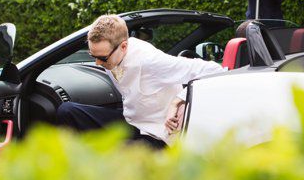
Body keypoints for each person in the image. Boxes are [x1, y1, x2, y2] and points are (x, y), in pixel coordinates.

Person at [52, 15, 224, 148]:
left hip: (158, 135)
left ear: (124, 46)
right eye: (93, 56)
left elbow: (215, 70)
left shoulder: (151, 61)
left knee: (117, 151)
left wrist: (179, 101)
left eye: (102, 58)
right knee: (67, 111)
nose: (97, 63)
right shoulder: (112, 53)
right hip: (132, 122)